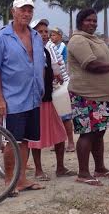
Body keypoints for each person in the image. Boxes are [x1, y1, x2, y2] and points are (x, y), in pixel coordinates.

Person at [0, 0, 45, 192]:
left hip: (33, 97)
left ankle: (22, 179)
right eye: (22, 10)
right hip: (12, 99)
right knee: (11, 140)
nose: (26, 14)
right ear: (13, 11)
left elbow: (40, 65)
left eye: (29, 10)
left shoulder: (36, 37)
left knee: (26, 139)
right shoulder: (1, 37)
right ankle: (9, 181)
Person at [67, 8, 109, 186]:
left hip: (102, 97)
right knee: (87, 134)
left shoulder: (96, 40)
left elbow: (104, 63)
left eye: (94, 20)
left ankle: (100, 168)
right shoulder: (78, 40)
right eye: (88, 20)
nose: (92, 23)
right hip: (86, 96)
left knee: (99, 133)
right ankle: (83, 173)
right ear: (80, 22)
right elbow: (90, 64)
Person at [28, 18, 75, 180]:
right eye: (39, 31)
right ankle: (38, 171)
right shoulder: (29, 51)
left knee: (60, 133)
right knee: (36, 137)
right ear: (32, 34)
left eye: (45, 31)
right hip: (36, 101)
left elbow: (54, 72)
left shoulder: (47, 51)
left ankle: (60, 168)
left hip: (50, 99)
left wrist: (58, 78)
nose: (44, 34)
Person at [49, 26, 75, 151]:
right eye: (51, 35)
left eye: (54, 35)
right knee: (55, 116)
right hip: (51, 85)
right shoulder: (47, 46)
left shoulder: (60, 47)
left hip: (61, 83)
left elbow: (59, 64)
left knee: (65, 115)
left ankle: (70, 142)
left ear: (60, 36)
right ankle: (58, 142)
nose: (51, 37)